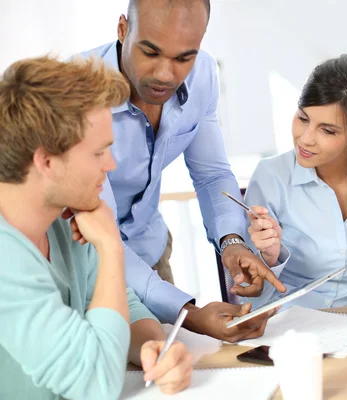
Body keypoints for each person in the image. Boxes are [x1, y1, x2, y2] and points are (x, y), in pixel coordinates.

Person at [82, 0, 285, 341]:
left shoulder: (203, 73)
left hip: (151, 254)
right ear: (122, 30)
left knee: (174, 379)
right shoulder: (75, 93)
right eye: (151, 52)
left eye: (183, 57)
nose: (165, 74)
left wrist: (232, 241)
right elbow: (97, 233)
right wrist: (186, 313)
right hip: (85, 265)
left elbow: (212, 173)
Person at [0, 56, 192, 399]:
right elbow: (95, 385)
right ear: (46, 161)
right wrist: (111, 246)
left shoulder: (63, 220)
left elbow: (123, 306)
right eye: (99, 152)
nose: (112, 163)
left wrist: (155, 348)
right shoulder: (5, 257)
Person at [245, 54, 347, 309]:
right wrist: (270, 258)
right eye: (303, 118)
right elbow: (249, 294)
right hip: (284, 336)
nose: (306, 139)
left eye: (327, 130)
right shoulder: (271, 177)